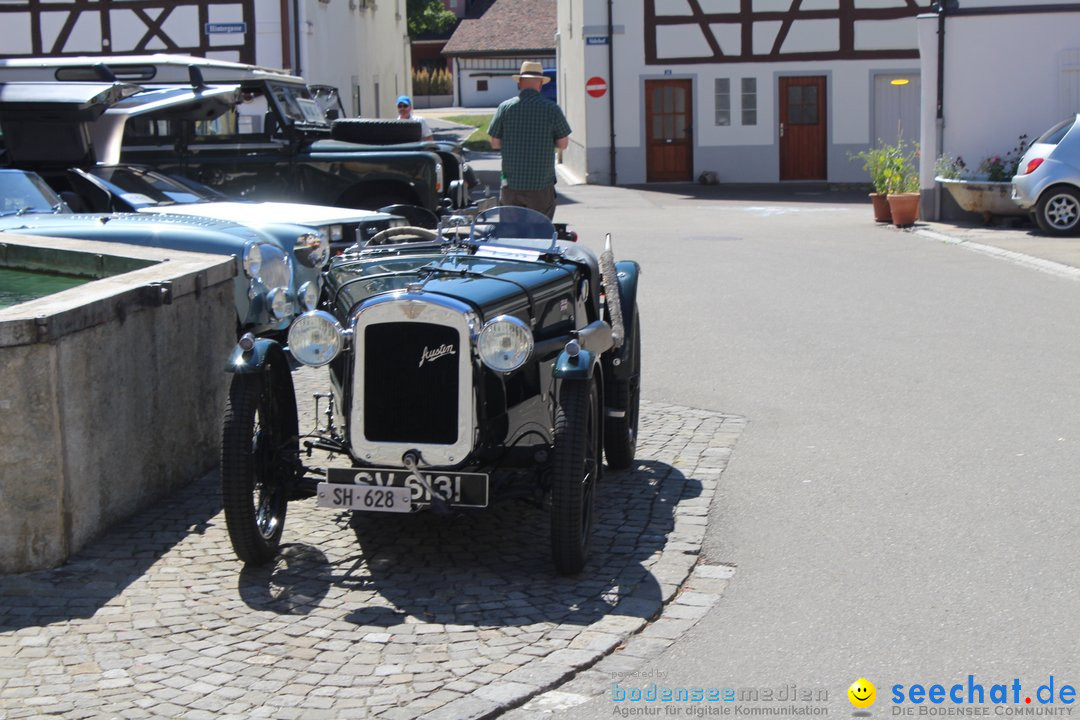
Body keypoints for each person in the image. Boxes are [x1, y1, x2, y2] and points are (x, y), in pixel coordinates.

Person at [487, 61, 571, 220]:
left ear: (519, 83)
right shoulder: (552, 109)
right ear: (540, 84)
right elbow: (563, 144)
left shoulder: (505, 108)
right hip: (541, 184)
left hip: (511, 183)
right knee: (540, 232)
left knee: (510, 233)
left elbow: (495, 143)